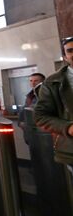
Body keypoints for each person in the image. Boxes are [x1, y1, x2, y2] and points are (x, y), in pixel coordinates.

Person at [34, 36, 73, 175]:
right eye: (70, 51)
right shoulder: (53, 83)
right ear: (65, 56)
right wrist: (68, 128)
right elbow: (40, 116)